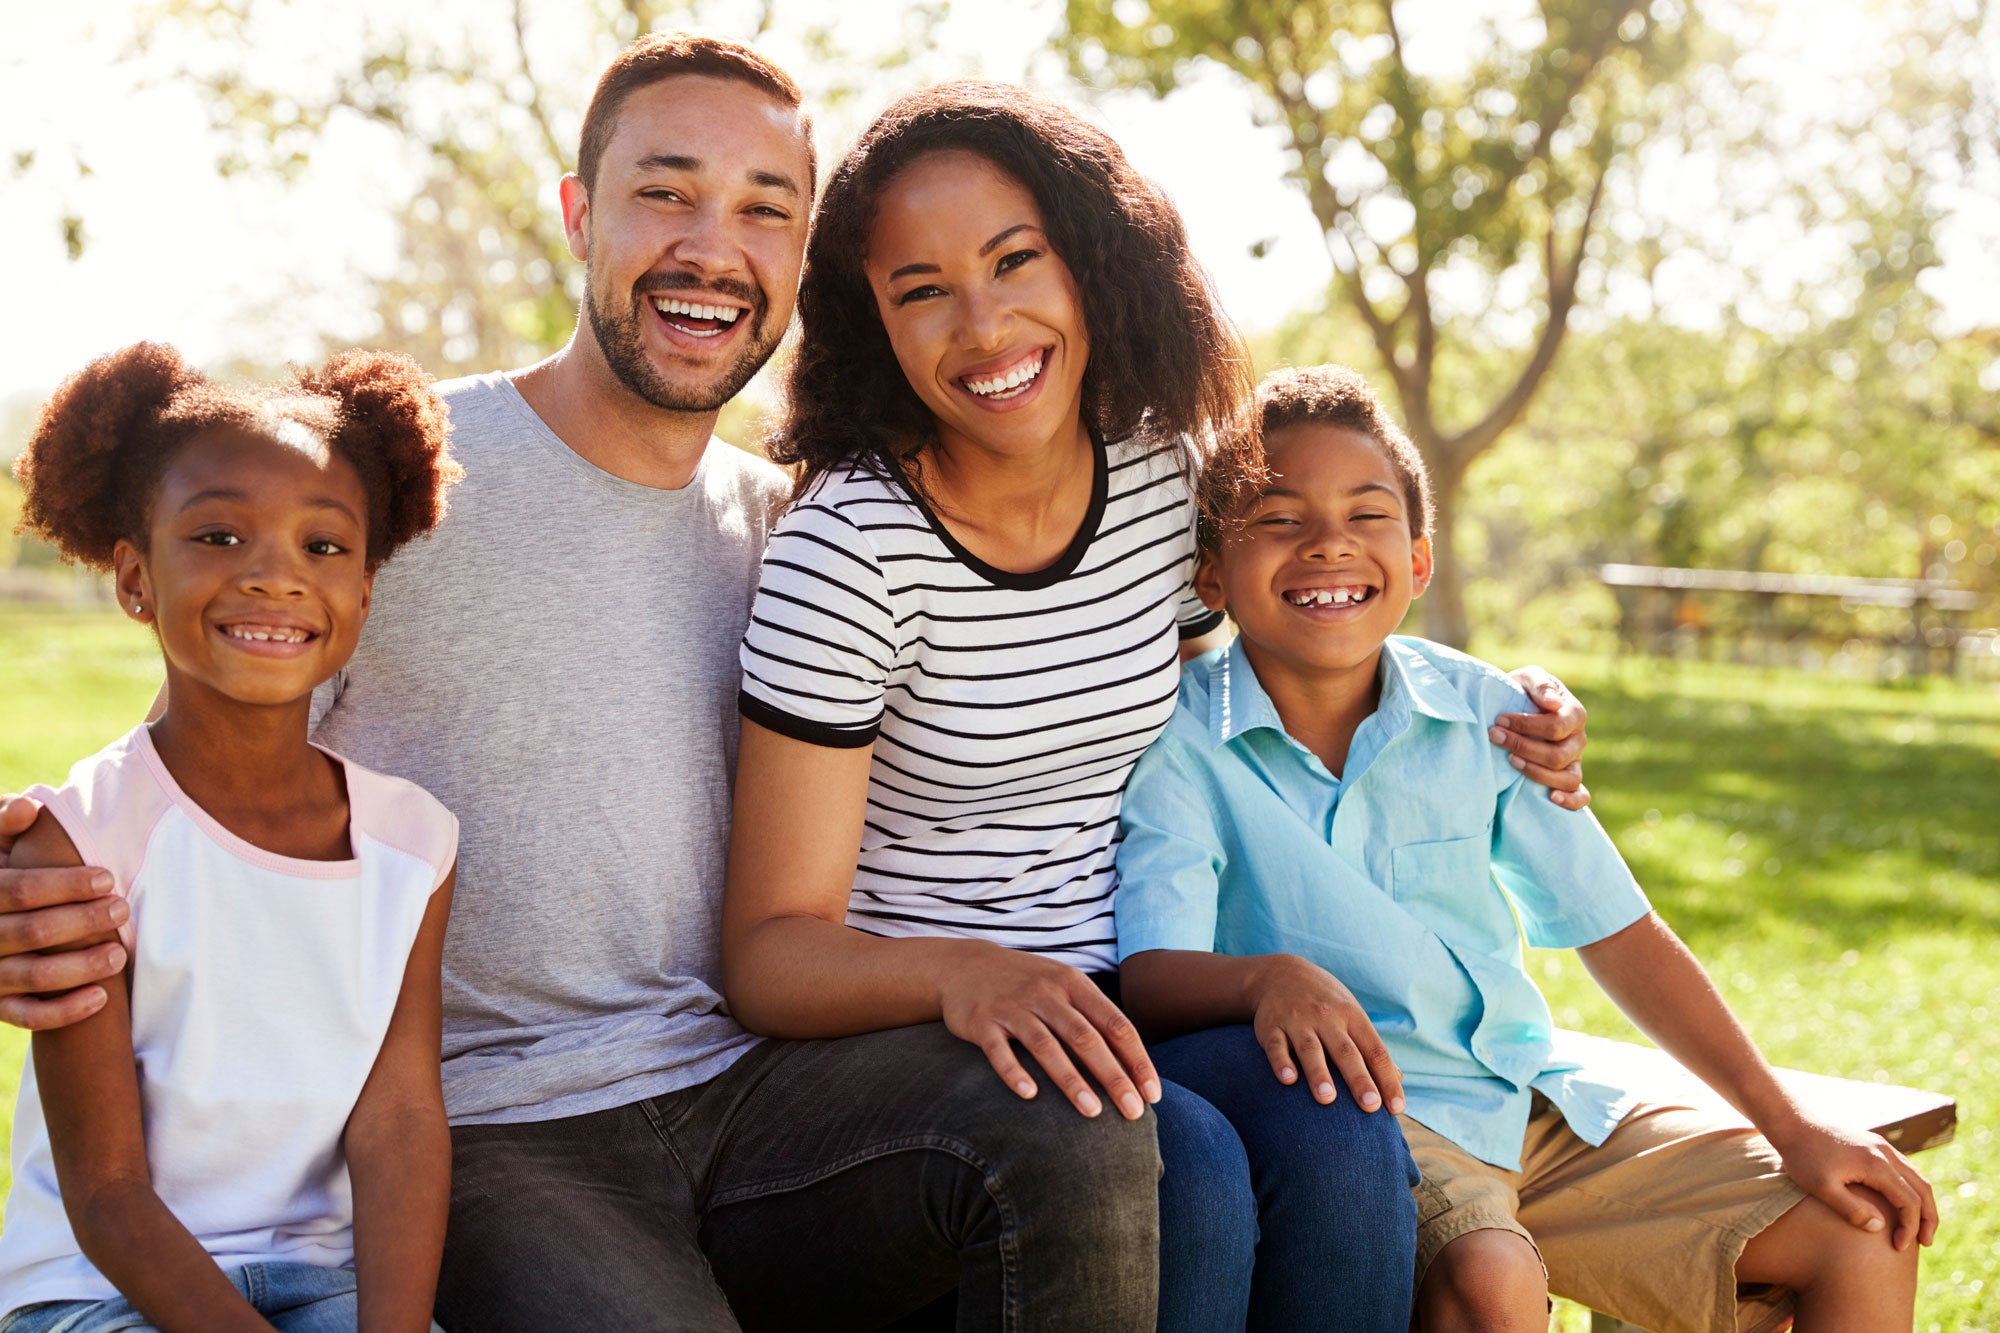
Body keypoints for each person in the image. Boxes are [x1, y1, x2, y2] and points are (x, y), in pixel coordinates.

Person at [0, 37, 1591, 1332]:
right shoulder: (415, 478)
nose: (714, 246)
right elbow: (225, 622)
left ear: (804, 257)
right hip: (496, 1125)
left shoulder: (794, 522)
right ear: (578, 210)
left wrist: (1512, 721)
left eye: (767, 207)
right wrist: (35, 868)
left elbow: (1262, 621)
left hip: (765, 1097)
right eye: (665, 193)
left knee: (1118, 1137)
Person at [723, 85, 1589, 1331]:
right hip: (905, 1041)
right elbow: (769, 955)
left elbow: (1290, 653)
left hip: (1127, 997)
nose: (982, 322)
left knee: (1339, 1122)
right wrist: (972, 974)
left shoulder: (1158, 477)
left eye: (1015, 260)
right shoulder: (850, 551)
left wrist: (1511, 708)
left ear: (1094, 261)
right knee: (1187, 1164)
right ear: (874, 323)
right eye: (921, 289)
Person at [1111, 363, 1939, 1333]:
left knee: (1859, 1223)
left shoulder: (1491, 715)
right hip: (1378, 1129)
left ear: (1417, 561)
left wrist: (1788, 1124)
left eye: (1365, 513)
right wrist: (1265, 980)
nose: (1327, 542)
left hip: (1531, 1100)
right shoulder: (1179, 748)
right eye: (1279, 518)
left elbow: (1617, 932)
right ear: (1211, 575)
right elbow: (1152, 973)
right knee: (1493, 1283)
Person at [0, 344, 461, 1333]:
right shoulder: (77, 844)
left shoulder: (413, 846)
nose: (273, 577)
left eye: (322, 547)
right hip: (97, 1294)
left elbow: (400, 1120)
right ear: (135, 578)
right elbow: (109, 1196)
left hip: (320, 1281)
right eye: (217, 535)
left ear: (367, 590)